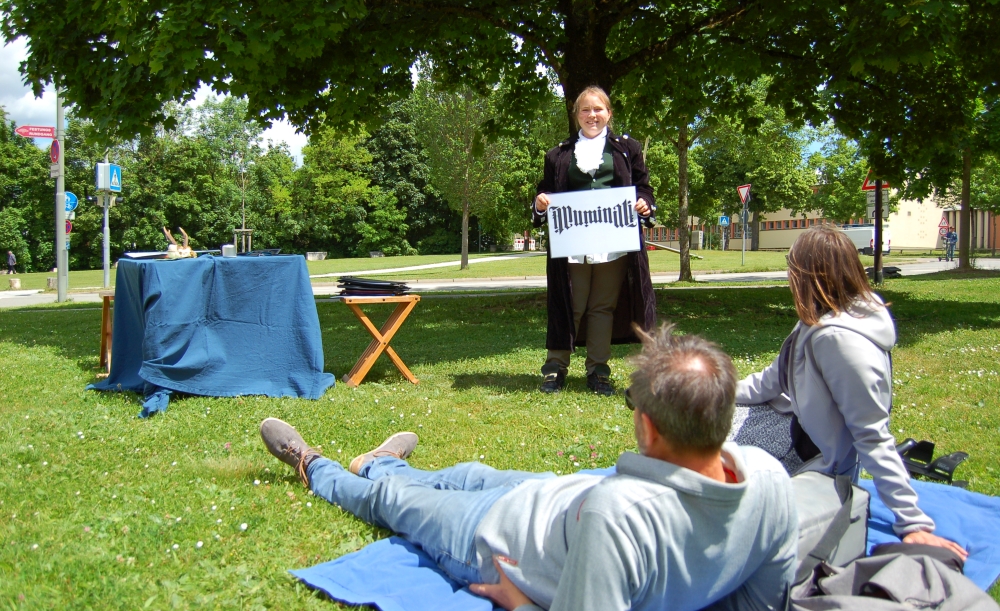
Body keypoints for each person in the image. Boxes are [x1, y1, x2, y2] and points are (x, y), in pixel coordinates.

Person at [260, 325, 799, 611]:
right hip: (553, 498)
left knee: (395, 504)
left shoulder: (622, 518)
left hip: (493, 540)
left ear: (650, 428)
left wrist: (521, 605)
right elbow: (759, 603)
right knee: (466, 473)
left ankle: (316, 465)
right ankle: (381, 464)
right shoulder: (769, 478)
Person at [732, 226, 967, 560]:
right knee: (701, 421)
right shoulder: (818, 316)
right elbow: (771, 381)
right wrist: (712, 392)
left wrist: (913, 523)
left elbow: (871, 434)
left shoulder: (841, 342)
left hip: (815, 461)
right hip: (793, 426)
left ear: (808, 274)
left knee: (708, 456)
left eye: (792, 266)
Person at [532, 86, 656, 395]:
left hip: (612, 242)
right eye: (585, 110)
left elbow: (643, 187)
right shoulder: (558, 154)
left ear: (609, 113)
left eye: (598, 109)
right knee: (569, 303)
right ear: (576, 116)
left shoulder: (628, 149)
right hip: (571, 243)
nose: (592, 115)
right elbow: (544, 191)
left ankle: (598, 370)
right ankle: (556, 368)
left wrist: (643, 204)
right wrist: (540, 203)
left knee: (602, 306)